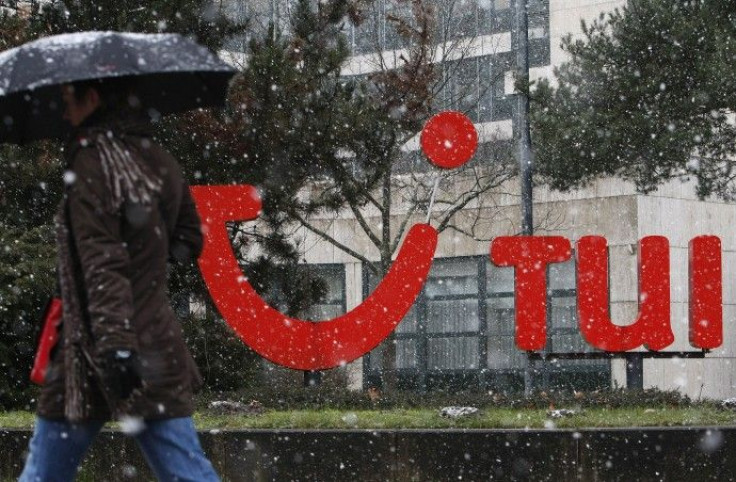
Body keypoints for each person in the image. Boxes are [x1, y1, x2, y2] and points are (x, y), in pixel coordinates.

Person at [19, 79, 220, 482]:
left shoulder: (93, 163)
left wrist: (115, 345)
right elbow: (190, 238)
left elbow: (102, 261)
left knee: (43, 474)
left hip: (92, 350)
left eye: (67, 99)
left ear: (92, 98)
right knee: (186, 471)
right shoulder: (157, 158)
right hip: (153, 342)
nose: (63, 110)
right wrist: (146, 259)